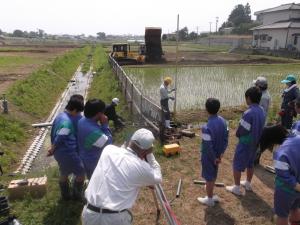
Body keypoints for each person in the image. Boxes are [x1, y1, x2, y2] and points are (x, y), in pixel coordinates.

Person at [81, 128, 162, 225]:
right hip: (114, 219)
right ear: (145, 152)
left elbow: (123, 152)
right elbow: (158, 177)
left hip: (89, 214)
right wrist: (150, 156)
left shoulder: (108, 150)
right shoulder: (142, 168)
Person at [226, 87, 265, 195]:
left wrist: (237, 133)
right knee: (250, 163)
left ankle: (237, 187)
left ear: (248, 98)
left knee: (237, 164)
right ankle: (248, 183)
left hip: (246, 142)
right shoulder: (261, 110)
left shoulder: (248, 113)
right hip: (256, 142)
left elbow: (243, 130)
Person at [259, 124, 300, 225]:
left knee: (282, 215)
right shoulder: (297, 138)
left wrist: (296, 185)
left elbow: (284, 175)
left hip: (287, 189)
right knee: (295, 207)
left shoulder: (280, 152)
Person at [48, 94, 85, 200]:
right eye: (78, 112)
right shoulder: (67, 122)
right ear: (74, 110)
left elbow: (54, 133)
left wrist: (53, 149)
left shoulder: (60, 116)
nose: (78, 114)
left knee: (64, 172)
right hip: (68, 153)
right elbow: (60, 137)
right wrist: (52, 148)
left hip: (60, 153)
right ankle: (77, 195)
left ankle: (65, 195)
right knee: (81, 173)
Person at [197, 98, 229, 207]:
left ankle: (209, 199)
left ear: (206, 109)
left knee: (209, 177)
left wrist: (214, 157)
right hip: (218, 154)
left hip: (209, 157)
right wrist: (220, 154)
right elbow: (226, 139)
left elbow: (207, 145)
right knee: (213, 174)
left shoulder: (206, 127)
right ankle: (210, 193)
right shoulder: (223, 121)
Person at [78, 99, 113, 179]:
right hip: (94, 162)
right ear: (99, 114)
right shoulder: (94, 132)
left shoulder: (82, 121)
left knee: (91, 179)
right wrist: (105, 125)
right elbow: (109, 144)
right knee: (98, 182)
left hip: (85, 157)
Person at [253, 76, 271, 165]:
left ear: (259, 86)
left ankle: (254, 160)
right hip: (262, 121)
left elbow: (258, 111)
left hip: (260, 122)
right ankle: (255, 159)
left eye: (256, 84)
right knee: (258, 142)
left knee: (257, 142)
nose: (255, 86)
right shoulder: (265, 93)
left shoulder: (262, 97)